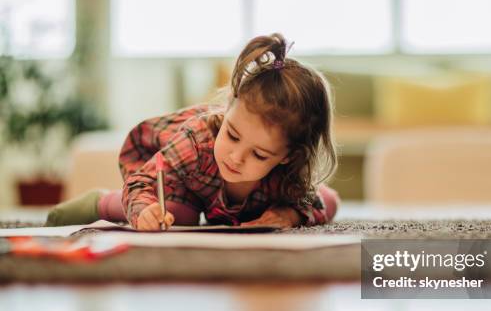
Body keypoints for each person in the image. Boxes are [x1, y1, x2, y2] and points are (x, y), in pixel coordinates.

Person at [45, 33, 340, 230]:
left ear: (287, 157)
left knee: (307, 204)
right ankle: (101, 201)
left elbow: (327, 201)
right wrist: (144, 210)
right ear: (228, 110)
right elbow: (141, 183)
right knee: (176, 215)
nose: (236, 157)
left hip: (243, 196)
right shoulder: (196, 141)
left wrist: (289, 215)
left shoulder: (289, 173)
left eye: (259, 154)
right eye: (233, 135)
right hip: (178, 178)